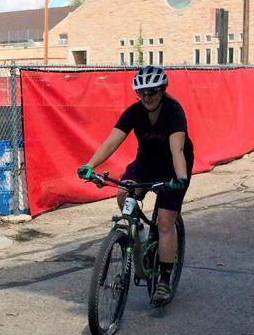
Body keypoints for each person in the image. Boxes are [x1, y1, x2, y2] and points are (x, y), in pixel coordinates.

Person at [77, 64, 194, 305]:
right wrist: (90, 166)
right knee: (124, 192)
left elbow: (178, 150)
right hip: (146, 162)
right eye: (141, 93)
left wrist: (180, 179)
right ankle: (137, 235)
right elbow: (111, 142)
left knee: (164, 221)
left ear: (162, 90)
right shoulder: (134, 112)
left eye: (152, 92)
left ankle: (163, 280)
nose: (147, 97)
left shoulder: (173, 111)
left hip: (174, 165)